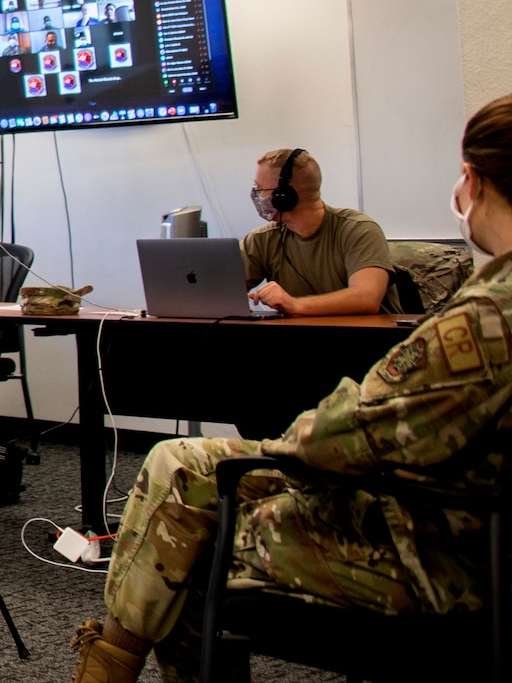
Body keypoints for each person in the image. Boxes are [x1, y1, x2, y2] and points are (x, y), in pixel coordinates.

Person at [70, 94, 512, 683]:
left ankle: (109, 663)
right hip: (456, 502)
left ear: (475, 181)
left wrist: (284, 435)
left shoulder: (482, 311)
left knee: (184, 531)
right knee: (179, 470)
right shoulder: (269, 240)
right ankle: (113, 661)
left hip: (437, 537)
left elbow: (349, 427)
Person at [242, 148, 398, 315]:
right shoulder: (261, 240)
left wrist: (295, 305)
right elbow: (216, 291)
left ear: (283, 196)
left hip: (372, 337)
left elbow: (366, 298)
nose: (254, 195)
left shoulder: (358, 229)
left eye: (259, 188)